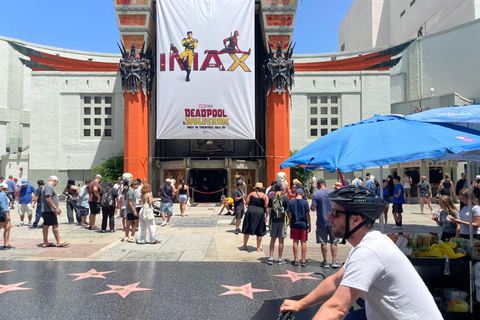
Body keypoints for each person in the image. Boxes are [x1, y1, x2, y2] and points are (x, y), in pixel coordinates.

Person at [279, 185, 443, 320]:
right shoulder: (369, 243)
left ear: (356, 219)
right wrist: (300, 304)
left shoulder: (369, 251)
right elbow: (335, 281)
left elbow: (336, 308)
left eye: (335, 213)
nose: (329, 217)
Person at [311, 179, 340, 269]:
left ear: (318, 185)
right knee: (334, 242)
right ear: (325, 185)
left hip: (321, 221)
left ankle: (325, 261)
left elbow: (313, 208)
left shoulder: (316, 194)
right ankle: (334, 261)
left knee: (323, 242)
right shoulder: (332, 193)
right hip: (333, 221)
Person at [41, 176, 69, 248]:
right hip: (49, 210)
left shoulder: (45, 186)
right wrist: (55, 208)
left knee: (46, 225)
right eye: (56, 182)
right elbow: (48, 198)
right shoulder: (49, 187)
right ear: (55, 181)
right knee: (55, 225)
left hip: (46, 210)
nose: (56, 184)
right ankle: (59, 242)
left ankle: (45, 242)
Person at [241, 182, 269, 251]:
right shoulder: (265, 196)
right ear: (262, 189)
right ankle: (258, 248)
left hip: (250, 212)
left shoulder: (251, 194)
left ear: (255, 188)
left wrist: (250, 208)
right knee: (259, 230)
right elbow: (267, 207)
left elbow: (247, 204)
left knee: (247, 229)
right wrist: (267, 216)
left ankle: (244, 245)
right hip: (260, 213)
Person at [266, 183, 289, 265]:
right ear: (282, 189)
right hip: (282, 220)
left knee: (273, 239)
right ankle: (279, 258)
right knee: (281, 240)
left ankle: (271, 257)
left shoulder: (271, 198)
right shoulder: (285, 198)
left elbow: (269, 208)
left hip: (273, 220)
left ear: (274, 190)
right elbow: (287, 210)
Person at [287, 188, 311, 267]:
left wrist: (290, 222)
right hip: (303, 224)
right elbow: (307, 214)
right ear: (302, 194)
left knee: (295, 241)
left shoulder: (291, 202)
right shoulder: (305, 202)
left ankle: (296, 260)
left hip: (295, 223)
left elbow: (289, 214)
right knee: (303, 242)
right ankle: (303, 260)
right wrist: (309, 224)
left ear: (295, 194)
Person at [0, 182, 14, 250]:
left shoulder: (5, 195)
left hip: (3, 213)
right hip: (2, 214)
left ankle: (6, 244)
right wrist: (7, 215)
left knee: (7, 228)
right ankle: (6, 244)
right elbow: (3, 205)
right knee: (6, 228)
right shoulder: (2, 194)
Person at [124, 178, 139, 242]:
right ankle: (131, 236)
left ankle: (127, 236)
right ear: (134, 185)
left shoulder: (131, 191)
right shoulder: (131, 191)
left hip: (130, 209)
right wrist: (134, 210)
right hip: (131, 210)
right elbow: (130, 202)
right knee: (135, 222)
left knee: (129, 223)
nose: (138, 186)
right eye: (137, 185)